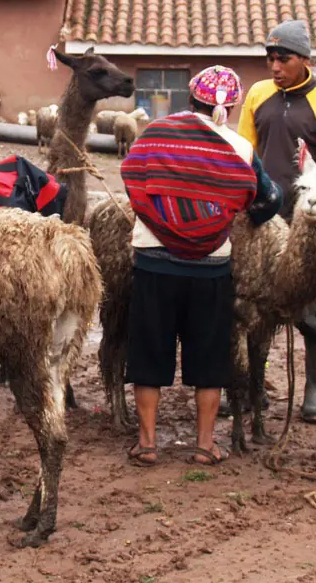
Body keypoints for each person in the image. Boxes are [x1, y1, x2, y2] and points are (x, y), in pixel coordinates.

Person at [121, 66, 282, 467]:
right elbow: (269, 199)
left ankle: (147, 443)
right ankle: (205, 444)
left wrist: (160, 214)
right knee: (209, 360)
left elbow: (132, 178)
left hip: (153, 263)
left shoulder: (155, 133)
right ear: (230, 106)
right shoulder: (239, 148)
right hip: (210, 268)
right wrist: (234, 214)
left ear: (190, 99)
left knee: (149, 352)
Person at [234, 19, 316, 424]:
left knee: (313, 311)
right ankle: (255, 385)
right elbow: (244, 152)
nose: (274, 65)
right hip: (264, 223)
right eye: (269, 58)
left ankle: (315, 390)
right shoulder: (258, 95)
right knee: (258, 311)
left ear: (305, 59)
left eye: (282, 57)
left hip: (309, 225)